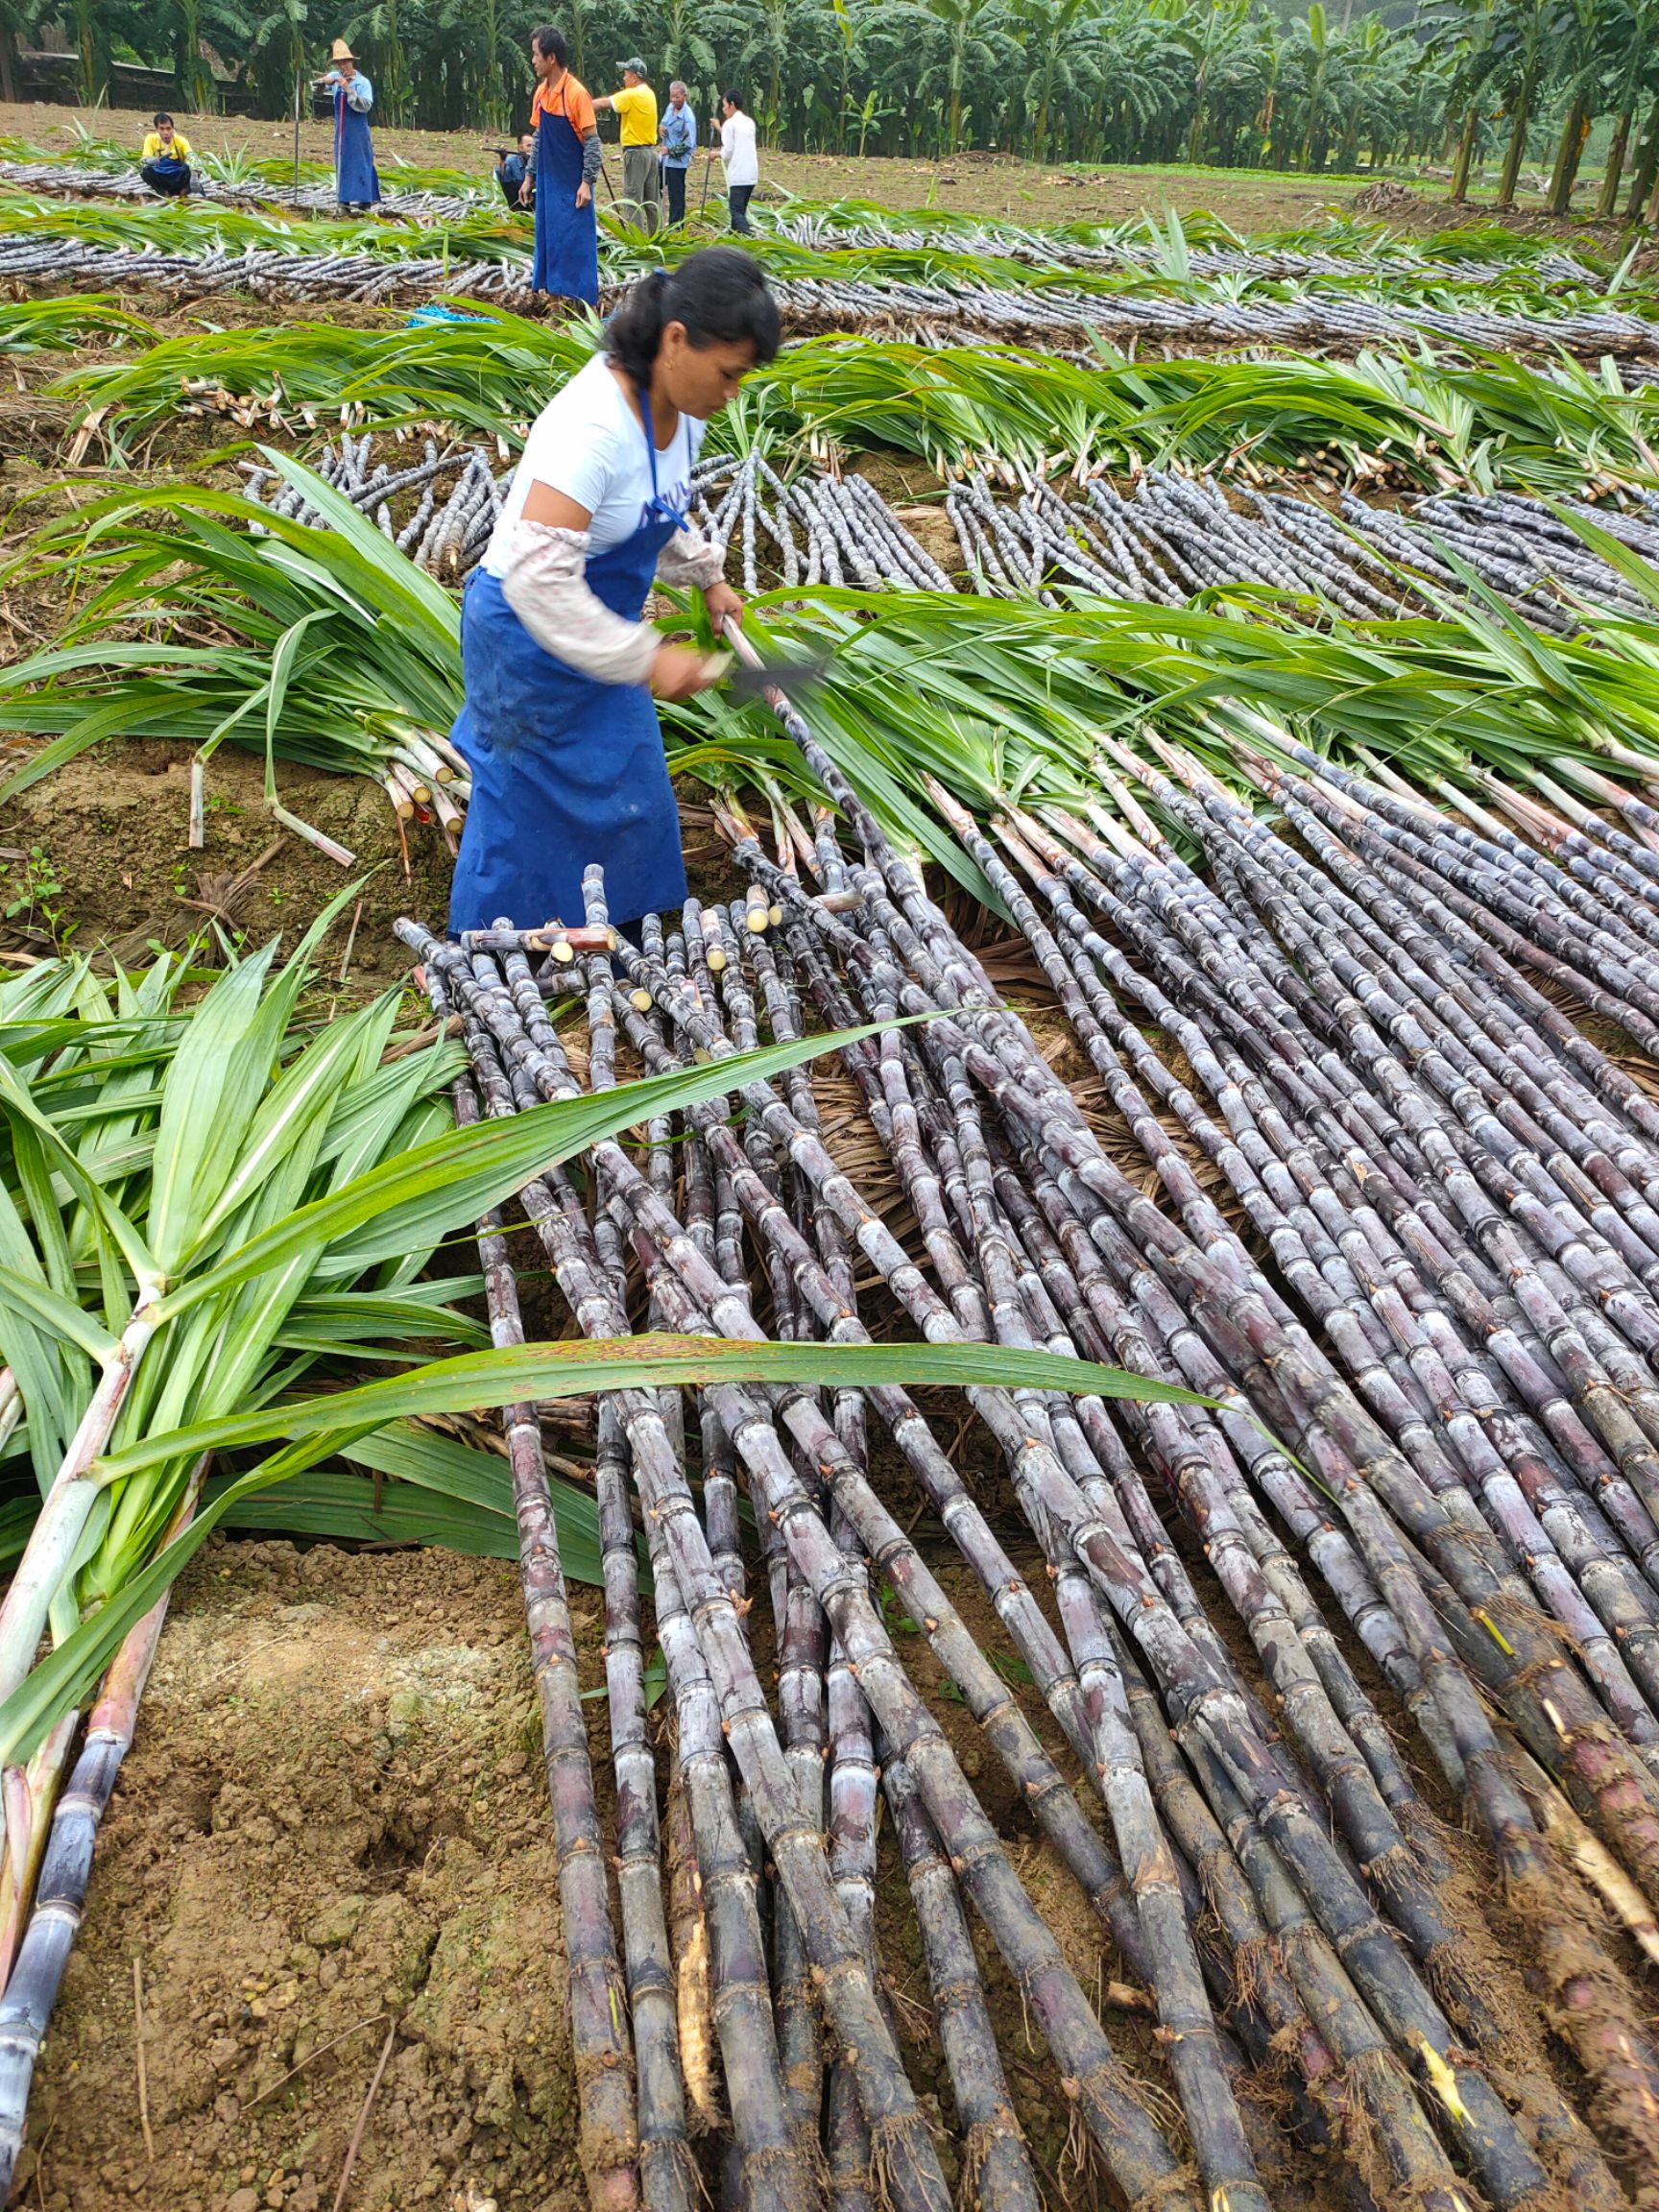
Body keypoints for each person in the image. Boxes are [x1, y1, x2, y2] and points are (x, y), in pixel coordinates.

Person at [445, 251, 781, 938]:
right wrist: (647, 659)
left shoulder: (683, 407)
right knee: (522, 812)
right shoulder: (591, 428)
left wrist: (707, 575)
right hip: (526, 641)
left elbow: (655, 509)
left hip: (599, 634)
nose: (731, 393)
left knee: (633, 794)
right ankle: (496, 954)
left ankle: (621, 939)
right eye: (730, 373)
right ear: (676, 340)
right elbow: (542, 578)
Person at [523, 24, 603, 306]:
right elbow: (538, 137)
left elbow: (593, 142)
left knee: (576, 243)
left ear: (551, 57)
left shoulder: (576, 94)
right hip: (548, 182)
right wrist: (529, 176)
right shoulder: (541, 94)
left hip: (573, 183)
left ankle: (583, 304)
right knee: (550, 241)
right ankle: (554, 302)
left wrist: (586, 182)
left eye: (536, 54)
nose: (533, 60)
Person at [594, 59, 660, 234]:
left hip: (636, 154)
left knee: (632, 201)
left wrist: (578, 109)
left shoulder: (632, 95)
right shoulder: (649, 94)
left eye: (626, 74)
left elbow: (601, 104)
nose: (624, 78)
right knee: (652, 201)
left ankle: (635, 243)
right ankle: (658, 237)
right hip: (651, 153)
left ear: (634, 76)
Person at [319, 39, 379, 213]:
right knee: (343, 162)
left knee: (361, 162)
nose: (342, 65)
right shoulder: (335, 79)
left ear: (351, 61)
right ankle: (343, 201)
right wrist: (324, 82)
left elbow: (366, 106)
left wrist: (349, 90)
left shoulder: (363, 83)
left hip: (358, 130)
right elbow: (318, 88)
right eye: (339, 63)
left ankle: (365, 201)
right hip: (342, 130)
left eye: (345, 61)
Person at [718, 90, 757, 234]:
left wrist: (716, 154)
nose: (723, 109)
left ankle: (748, 237)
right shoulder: (749, 122)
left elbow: (727, 151)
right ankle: (735, 239)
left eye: (724, 105)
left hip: (739, 174)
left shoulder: (730, 124)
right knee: (740, 211)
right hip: (752, 174)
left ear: (731, 104)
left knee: (736, 211)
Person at [659, 82, 695, 228]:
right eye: (672, 96)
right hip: (664, 160)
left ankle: (676, 227)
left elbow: (688, 144)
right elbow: (664, 123)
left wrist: (670, 151)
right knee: (656, 185)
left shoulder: (688, 118)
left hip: (677, 162)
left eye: (677, 97)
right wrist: (660, 128)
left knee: (676, 195)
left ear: (684, 96)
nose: (674, 100)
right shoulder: (670, 108)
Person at [139, 113, 194, 197]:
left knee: (189, 168)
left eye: (168, 128)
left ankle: (183, 191)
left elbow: (191, 156)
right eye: (162, 129)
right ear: (157, 129)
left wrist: (195, 164)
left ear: (173, 128)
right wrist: (148, 160)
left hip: (178, 177)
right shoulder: (151, 139)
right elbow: (144, 159)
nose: (166, 133)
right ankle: (163, 192)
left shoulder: (181, 141)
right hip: (161, 178)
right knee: (144, 169)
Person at [494, 131, 535, 210]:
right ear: (520, 147)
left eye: (534, 146)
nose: (532, 149)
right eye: (529, 146)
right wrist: (503, 159)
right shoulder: (511, 162)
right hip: (517, 202)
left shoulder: (537, 162)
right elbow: (502, 176)